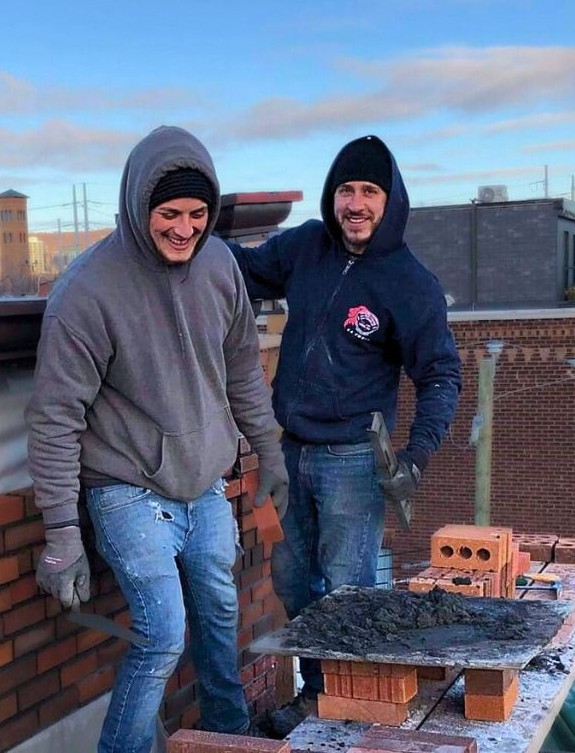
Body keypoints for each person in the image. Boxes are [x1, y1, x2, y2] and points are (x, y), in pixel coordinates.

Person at [25, 126, 289, 753]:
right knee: (164, 633)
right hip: (126, 488)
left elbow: (244, 370)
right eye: (169, 214)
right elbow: (55, 418)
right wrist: (62, 533)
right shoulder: (87, 293)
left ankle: (228, 733)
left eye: (198, 214)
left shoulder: (221, 267)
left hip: (204, 485)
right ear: (139, 208)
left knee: (220, 612)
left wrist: (270, 449)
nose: (185, 228)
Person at [228, 135, 462, 734]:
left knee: (347, 595)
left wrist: (417, 455)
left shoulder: (410, 284)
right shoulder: (307, 245)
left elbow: (440, 374)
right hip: (290, 451)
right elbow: (242, 271)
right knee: (290, 580)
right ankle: (317, 696)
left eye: (369, 192)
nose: (355, 204)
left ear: (390, 201)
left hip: (355, 461)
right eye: (346, 190)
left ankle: (350, 720)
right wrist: (192, 235)